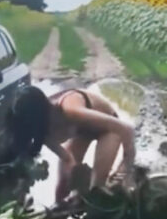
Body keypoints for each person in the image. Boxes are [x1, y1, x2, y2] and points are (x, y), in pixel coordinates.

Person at [7, 86, 136, 204]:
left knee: (96, 189)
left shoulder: (70, 110)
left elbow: (126, 129)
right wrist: (74, 181)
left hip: (109, 129)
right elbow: (67, 158)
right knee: (62, 189)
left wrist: (126, 166)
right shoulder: (41, 131)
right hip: (83, 132)